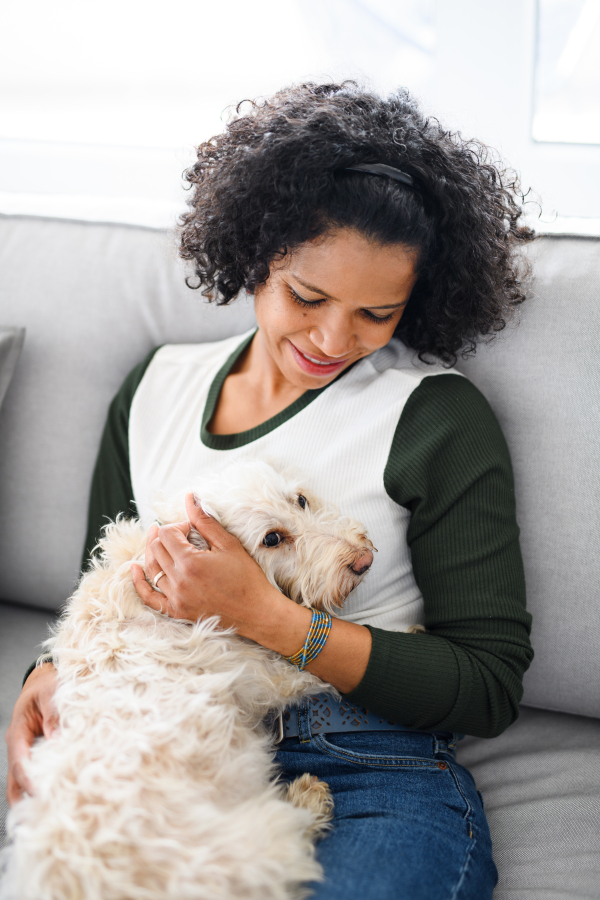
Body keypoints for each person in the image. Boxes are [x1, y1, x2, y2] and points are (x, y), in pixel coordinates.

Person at [6, 82, 534, 899]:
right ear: (254, 254)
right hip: (156, 758)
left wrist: (269, 617)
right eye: (307, 297)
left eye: (377, 312)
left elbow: (488, 684)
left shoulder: (435, 415)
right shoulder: (156, 390)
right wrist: (48, 675)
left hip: (364, 767)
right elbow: (101, 589)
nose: (333, 340)